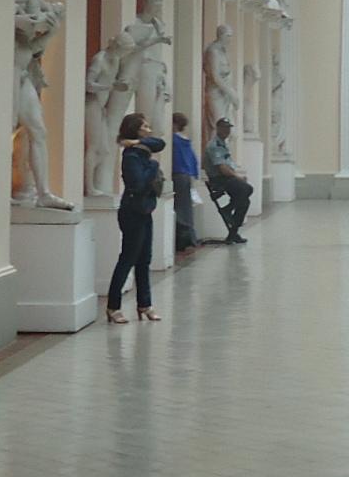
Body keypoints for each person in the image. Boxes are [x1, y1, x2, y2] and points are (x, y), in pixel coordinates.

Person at [105, 112, 165, 322]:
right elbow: (138, 184)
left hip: (145, 210)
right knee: (128, 258)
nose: (149, 130)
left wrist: (139, 141)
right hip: (132, 211)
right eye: (145, 127)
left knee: (144, 259)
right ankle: (113, 306)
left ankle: (145, 304)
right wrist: (154, 167)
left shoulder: (142, 149)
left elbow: (161, 143)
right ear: (136, 129)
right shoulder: (131, 157)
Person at [206, 118, 253, 243]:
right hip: (219, 179)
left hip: (227, 177)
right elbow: (222, 168)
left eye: (228, 128)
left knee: (245, 202)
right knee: (247, 188)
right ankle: (227, 210)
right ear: (218, 128)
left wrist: (236, 176)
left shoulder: (223, 143)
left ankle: (233, 233)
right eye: (224, 127)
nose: (227, 130)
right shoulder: (214, 145)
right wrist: (238, 177)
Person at [168, 112, 200, 252]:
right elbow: (193, 159)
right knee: (186, 207)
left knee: (179, 208)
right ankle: (189, 237)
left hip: (177, 174)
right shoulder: (186, 140)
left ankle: (183, 238)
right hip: (186, 175)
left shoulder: (173, 140)